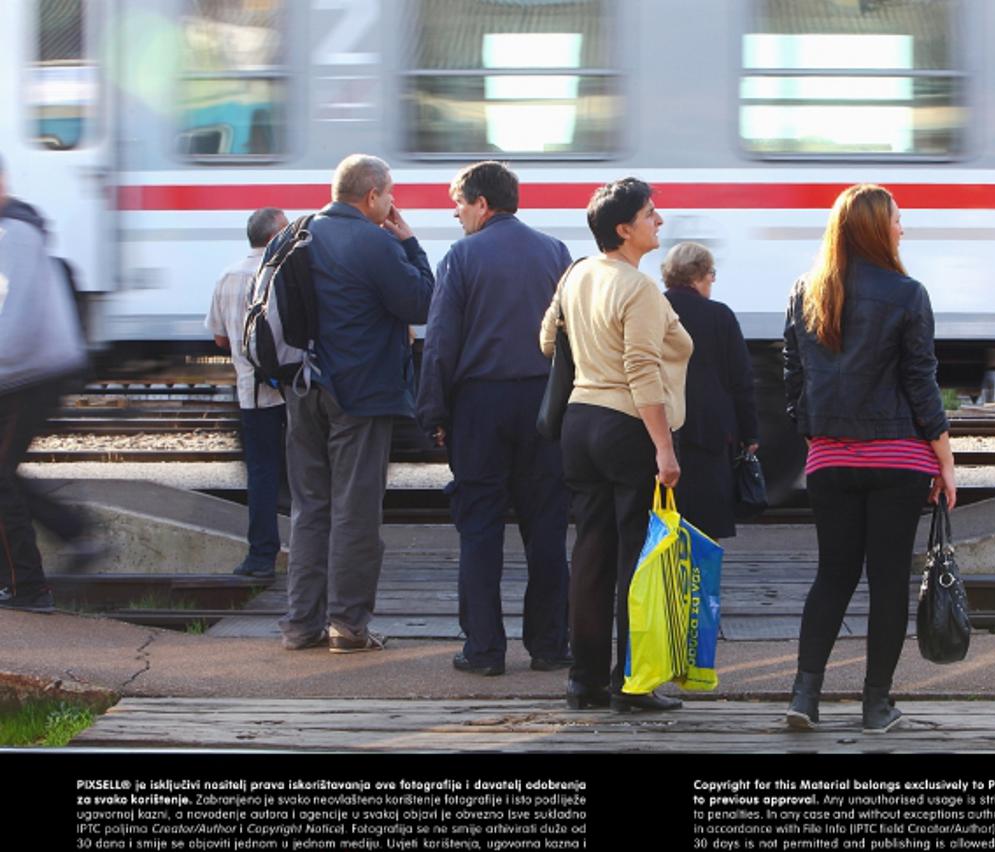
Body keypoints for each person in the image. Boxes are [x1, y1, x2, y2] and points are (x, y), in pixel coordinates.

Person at [782, 184, 957, 734]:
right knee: (887, 582)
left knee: (832, 575)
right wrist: (945, 460)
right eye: (898, 220)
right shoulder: (908, 293)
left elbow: (792, 376)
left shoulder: (806, 291)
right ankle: (876, 705)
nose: (903, 229)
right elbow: (920, 383)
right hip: (898, 460)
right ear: (878, 228)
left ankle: (804, 696)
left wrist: (813, 435)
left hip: (829, 461)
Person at [539, 177, 692, 713]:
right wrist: (665, 449)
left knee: (591, 554)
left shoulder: (577, 273)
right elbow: (642, 370)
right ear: (624, 229)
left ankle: (584, 682)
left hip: (578, 424)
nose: (660, 220)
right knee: (636, 561)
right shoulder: (638, 288)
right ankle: (632, 684)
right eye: (651, 214)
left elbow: (546, 339)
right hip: (627, 428)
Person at [416, 161, 573, 676]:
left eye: (459, 203)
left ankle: (484, 651)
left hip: (479, 407)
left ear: (482, 203)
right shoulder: (555, 252)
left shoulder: (461, 256)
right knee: (547, 529)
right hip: (544, 404)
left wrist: (434, 410)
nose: (456, 214)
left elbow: (441, 341)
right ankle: (549, 646)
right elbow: (571, 338)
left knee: (479, 530)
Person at [277, 154, 434, 653]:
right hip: (361, 395)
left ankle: (300, 624)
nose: (391, 205)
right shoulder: (374, 241)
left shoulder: (295, 233)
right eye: (389, 195)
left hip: (302, 389)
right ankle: (347, 625)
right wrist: (409, 243)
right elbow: (422, 302)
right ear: (371, 196)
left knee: (310, 509)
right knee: (355, 511)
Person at [0, 154, 100, 612]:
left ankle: (30, 588)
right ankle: (73, 535)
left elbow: (13, 319)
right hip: (25, 370)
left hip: (30, 371)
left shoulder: (13, 232)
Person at [205, 207, 289, 579]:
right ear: (273, 238)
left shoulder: (228, 275)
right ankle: (314, 554)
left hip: (251, 393)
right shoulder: (283, 274)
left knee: (262, 474)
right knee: (310, 474)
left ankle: (261, 557)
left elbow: (219, 336)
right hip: (292, 392)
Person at [661, 242, 758, 539]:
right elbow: (741, 380)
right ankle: (699, 584)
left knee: (665, 524)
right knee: (703, 529)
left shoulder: (654, 309)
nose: (713, 280)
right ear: (699, 275)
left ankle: (666, 583)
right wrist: (750, 434)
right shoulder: (720, 316)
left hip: (662, 429)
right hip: (711, 434)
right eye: (711, 273)